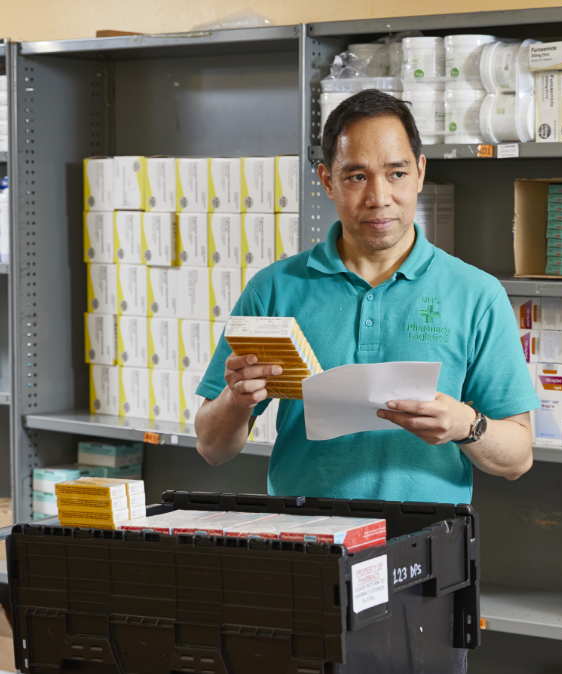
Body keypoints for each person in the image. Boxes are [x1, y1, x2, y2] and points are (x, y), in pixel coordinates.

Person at [195, 88, 539, 504]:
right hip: (308, 542)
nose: (379, 198)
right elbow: (213, 449)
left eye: (397, 173)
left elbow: (518, 458)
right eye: (357, 176)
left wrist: (466, 424)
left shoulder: (477, 294)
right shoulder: (273, 289)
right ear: (327, 181)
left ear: (420, 173)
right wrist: (235, 400)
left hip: (426, 545)